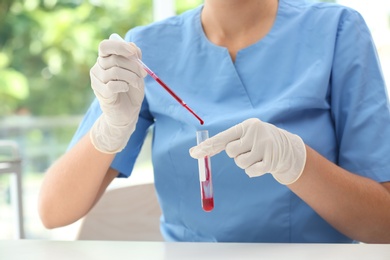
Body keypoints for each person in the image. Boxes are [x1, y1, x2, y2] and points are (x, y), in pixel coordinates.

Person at [38, 0, 390, 243]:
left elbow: (384, 225)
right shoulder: (146, 50)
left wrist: (300, 163)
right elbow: (53, 212)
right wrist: (109, 130)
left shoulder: (336, 30)